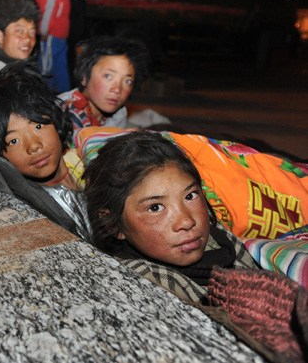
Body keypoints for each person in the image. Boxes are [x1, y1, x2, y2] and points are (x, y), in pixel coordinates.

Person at [83, 130, 260, 304]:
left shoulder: (221, 239)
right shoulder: (145, 286)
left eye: (190, 196)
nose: (186, 220)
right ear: (114, 225)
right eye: (155, 207)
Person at [0, 59, 90, 240]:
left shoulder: (87, 162)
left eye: (38, 126)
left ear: (56, 122)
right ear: (0, 153)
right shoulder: (29, 208)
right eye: (13, 140)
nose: (33, 146)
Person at [60, 36, 150, 131]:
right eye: (108, 76)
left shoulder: (119, 114)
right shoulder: (61, 114)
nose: (117, 90)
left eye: (127, 81)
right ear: (85, 78)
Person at [34, 0, 72, 93]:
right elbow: (43, 4)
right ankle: (66, 101)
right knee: (59, 67)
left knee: (46, 69)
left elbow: (50, 8)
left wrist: (44, 30)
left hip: (52, 32)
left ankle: (44, 102)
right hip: (59, 32)